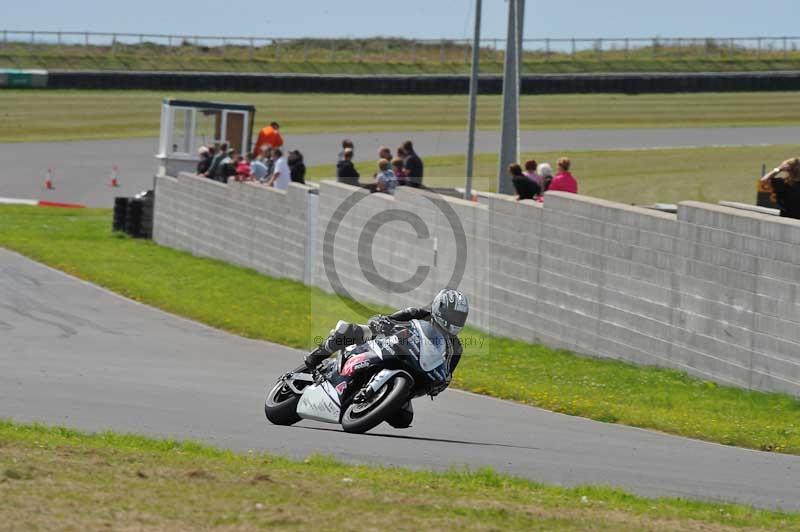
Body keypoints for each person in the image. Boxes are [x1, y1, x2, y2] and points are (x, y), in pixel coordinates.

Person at [303, 288, 469, 427]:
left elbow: (447, 373)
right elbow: (389, 318)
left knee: (403, 420)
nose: (455, 321)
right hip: (389, 345)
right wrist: (383, 322)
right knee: (350, 331)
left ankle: (371, 404)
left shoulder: (455, 347)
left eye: (459, 318)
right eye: (453, 315)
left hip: (415, 368)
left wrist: (440, 384)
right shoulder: (418, 313)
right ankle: (315, 358)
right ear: (439, 308)